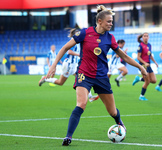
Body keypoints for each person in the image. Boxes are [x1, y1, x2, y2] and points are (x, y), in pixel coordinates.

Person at [46, 5, 147, 146]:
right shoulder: (85, 33)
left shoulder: (110, 38)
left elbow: (124, 56)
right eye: (109, 21)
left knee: (112, 111)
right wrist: (54, 64)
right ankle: (68, 136)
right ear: (100, 21)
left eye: (112, 21)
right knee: (81, 104)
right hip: (84, 74)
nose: (111, 24)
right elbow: (65, 48)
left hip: (101, 77)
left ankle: (119, 122)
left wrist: (140, 67)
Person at [39, 30, 99, 102]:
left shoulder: (79, 42)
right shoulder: (73, 41)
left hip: (73, 66)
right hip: (69, 65)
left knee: (83, 79)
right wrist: (79, 55)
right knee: (61, 82)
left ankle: (90, 97)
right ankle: (45, 79)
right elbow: (69, 51)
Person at [132, 33, 158, 101]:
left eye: (147, 36)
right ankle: (141, 96)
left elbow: (150, 55)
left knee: (154, 80)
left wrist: (155, 62)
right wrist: (144, 63)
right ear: (142, 37)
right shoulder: (140, 46)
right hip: (143, 65)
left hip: (148, 64)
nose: (146, 37)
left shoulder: (149, 45)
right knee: (147, 81)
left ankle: (139, 79)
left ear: (148, 37)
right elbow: (138, 57)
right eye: (144, 36)